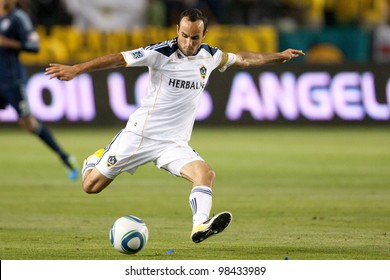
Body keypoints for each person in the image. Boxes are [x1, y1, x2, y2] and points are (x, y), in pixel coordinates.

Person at [45, 8, 304, 243]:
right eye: (184, 36)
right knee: (91, 186)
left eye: (195, 38)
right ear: (177, 31)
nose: (189, 43)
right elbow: (118, 59)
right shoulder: (161, 53)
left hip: (174, 143)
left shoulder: (210, 56)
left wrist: (277, 56)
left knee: (206, 174)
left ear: (204, 34)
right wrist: (76, 69)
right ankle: (94, 159)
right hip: (140, 136)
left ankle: (199, 225)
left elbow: (244, 59)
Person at [0, 0, 79, 181]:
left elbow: (34, 46)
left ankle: (65, 157)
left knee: (28, 123)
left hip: (12, 81)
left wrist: (7, 42)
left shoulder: (18, 17)